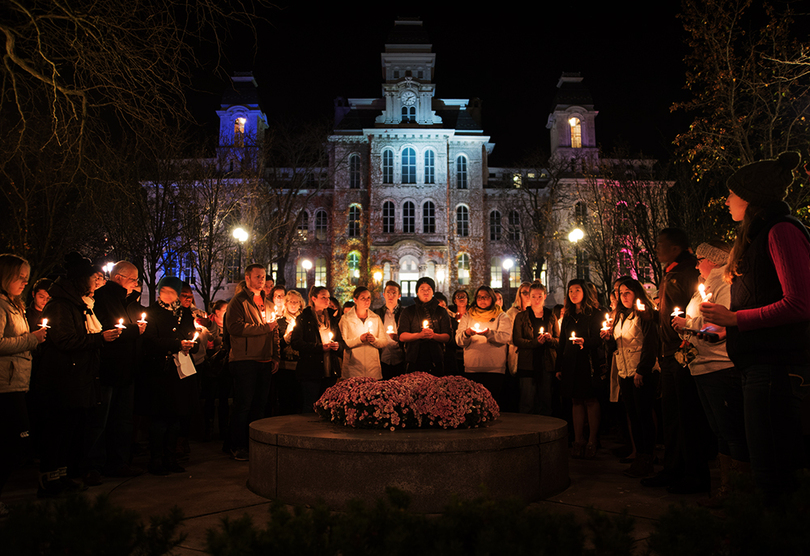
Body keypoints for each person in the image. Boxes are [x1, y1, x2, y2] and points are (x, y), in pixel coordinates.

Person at [701, 152, 810, 505]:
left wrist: (736, 319)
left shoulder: (781, 230)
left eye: (732, 193)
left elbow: (800, 302)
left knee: (773, 473)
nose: (727, 200)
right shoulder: (759, 235)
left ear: (751, 197)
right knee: (767, 468)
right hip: (758, 367)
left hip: (777, 371)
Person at [35, 253, 120, 496]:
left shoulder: (77, 304)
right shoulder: (61, 305)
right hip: (62, 379)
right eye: (91, 278)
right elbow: (63, 339)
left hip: (77, 376)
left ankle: (61, 475)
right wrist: (99, 338)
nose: (95, 282)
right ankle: (48, 479)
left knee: (69, 430)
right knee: (58, 430)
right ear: (80, 280)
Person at [671, 241, 748, 506]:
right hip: (702, 366)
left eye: (700, 257)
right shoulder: (703, 287)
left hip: (720, 366)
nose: (695, 263)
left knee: (731, 431)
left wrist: (689, 325)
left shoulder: (724, 285)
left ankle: (738, 493)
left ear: (713, 260)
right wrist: (686, 326)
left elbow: (720, 327)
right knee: (719, 430)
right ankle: (726, 488)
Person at [642, 228, 709, 494]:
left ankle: (693, 473)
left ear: (675, 248)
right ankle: (673, 469)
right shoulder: (672, 272)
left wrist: (679, 335)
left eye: (660, 244)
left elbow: (692, 311)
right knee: (671, 414)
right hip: (669, 350)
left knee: (686, 415)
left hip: (681, 350)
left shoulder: (687, 273)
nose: (656, 248)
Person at [86, 261, 147, 480]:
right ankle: (93, 465)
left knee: (122, 420)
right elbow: (110, 328)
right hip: (109, 369)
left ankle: (118, 462)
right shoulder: (104, 298)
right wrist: (135, 331)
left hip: (127, 369)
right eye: (133, 279)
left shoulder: (129, 300)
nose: (136, 284)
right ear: (119, 277)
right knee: (100, 421)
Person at [0, 254, 47, 516]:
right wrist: (32, 339)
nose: (24, 283)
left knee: (14, 442)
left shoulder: (13, 304)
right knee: (15, 441)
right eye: (20, 277)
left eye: (27, 278)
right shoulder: (1, 305)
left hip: (16, 382)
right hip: (4, 385)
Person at [602, 278, 659, 478]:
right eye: (621, 293)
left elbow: (650, 344)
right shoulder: (619, 316)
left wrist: (642, 370)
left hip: (640, 373)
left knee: (644, 416)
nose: (624, 297)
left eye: (628, 292)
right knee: (634, 417)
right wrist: (609, 339)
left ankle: (647, 458)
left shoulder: (643, 314)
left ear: (636, 293)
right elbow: (617, 347)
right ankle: (640, 457)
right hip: (624, 372)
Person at [141, 277, 197, 475]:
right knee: (159, 418)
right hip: (159, 372)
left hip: (179, 372)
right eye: (163, 290)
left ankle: (170, 457)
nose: (167, 295)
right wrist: (176, 344)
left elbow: (191, 336)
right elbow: (149, 341)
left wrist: (192, 344)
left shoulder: (184, 314)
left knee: (175, 417)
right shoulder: (152, 313)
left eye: (172, 292)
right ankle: (156, 459)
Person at [224, 264, 279, 461]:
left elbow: (274, 332)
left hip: (265, 359)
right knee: (243, 404)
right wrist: (264, 328)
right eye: (257, 276)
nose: (261, 280)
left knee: (260, 405)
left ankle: (255, 443)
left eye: (263, 277)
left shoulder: (269, 304)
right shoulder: (238, 302)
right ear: (247, 279)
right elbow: (235, 327)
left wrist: (275, 356)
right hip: (245, 360)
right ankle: (236, 445)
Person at [555, 279, 603, 459]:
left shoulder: (594, 314)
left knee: (590, 400)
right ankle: (578, 439)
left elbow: (599, 338)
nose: (573, 294)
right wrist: (559, 365)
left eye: (577, 290)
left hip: (587, 362)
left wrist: (585, 341)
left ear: (585, 292)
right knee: (575, 401)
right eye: (570, 291)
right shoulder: (567, 316)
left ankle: (592, 440)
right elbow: (562, 343)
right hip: (570, 362)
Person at [290, 286, 344, 412]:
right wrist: (319, 348)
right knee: (310, 404)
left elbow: (341, 341)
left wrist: (337, 346)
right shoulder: (304, 318)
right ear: (314, 298)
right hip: (311, 370)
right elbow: (296, 343)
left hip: (330, 369)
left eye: (328, 297)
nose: (327, 300)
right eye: (323, 297)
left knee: (327, 405)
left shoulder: (332, 318)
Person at [456, 286, 512, 399]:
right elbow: (459, 340)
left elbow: (505, 337)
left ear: (492, 298)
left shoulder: (501, 316)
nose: (482, 300)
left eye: (486, 297)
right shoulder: (468, 316)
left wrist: (488, 333)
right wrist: (466, 333)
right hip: (472, 368)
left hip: (494, 369)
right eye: (479, 297)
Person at [512, 282, 558, 415]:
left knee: (546, 399)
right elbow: (517, 340)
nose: (536, 300)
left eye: (539, 296)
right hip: (528, 364)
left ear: (544, 296)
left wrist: (550, 339)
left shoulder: (551, 316)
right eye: (533, 296)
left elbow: (559, 340)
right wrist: (535, 342)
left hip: (547, 362)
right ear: (529, 298)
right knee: (527, 400)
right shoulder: (521, 316)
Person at [398, 277, 451, 375]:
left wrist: (433, 336)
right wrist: (419, 335)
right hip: (413, 359)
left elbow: (447, 336)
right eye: (422, 289)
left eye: (429, 289)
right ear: (417, 292)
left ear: (433, 292)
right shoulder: (408, 311)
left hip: (436, 360)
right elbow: (402, 336)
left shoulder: (441, 311)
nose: (425, 291)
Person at [339, 287, 390, 379]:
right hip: (353, 369)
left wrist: (374, 340)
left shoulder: (375, 318)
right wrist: (360, 339)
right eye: (363, 298)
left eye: (368, 298)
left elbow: (384, 341)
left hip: (373, 369)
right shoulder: (346, 319)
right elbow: (343, 342)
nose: (367, 301)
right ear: (355, 300)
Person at [274, 290, 305, 415]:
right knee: (285, 400)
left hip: (300, 366)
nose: (293, 305)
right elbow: (274, 344)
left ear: (300, 304)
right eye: (291, 302)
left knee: (299, 401)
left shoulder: (303, 322)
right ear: (286, 304)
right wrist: (285, 339)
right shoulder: (280, 322)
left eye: (296, 302)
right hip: (284, 367)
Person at [374, 281, 405, 380]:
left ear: (399, 295)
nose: (391, 295)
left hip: (401, 358)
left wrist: (399, 338)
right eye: (388, 292)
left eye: (394, 293)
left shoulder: (404, 313)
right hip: (382, 358)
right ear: (384, 294)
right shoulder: (377, 313)